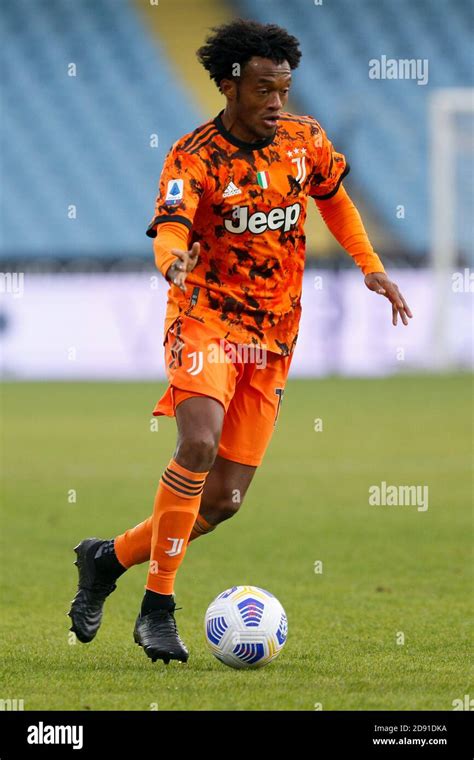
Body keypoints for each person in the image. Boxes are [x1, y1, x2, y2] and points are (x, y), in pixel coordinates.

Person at [68, 19, 412, 665]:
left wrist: (371, 266)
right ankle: (157, 608)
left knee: (224, 501)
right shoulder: (194, 155)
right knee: (196, 441)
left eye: (283, 88)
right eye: (263, 89)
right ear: (230, 86)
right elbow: (169, 228)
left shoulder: (304, 141)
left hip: (273, 335)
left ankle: (103, 559)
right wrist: (171, 263)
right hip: (203, 317)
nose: (277, 102)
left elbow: (333, 198)